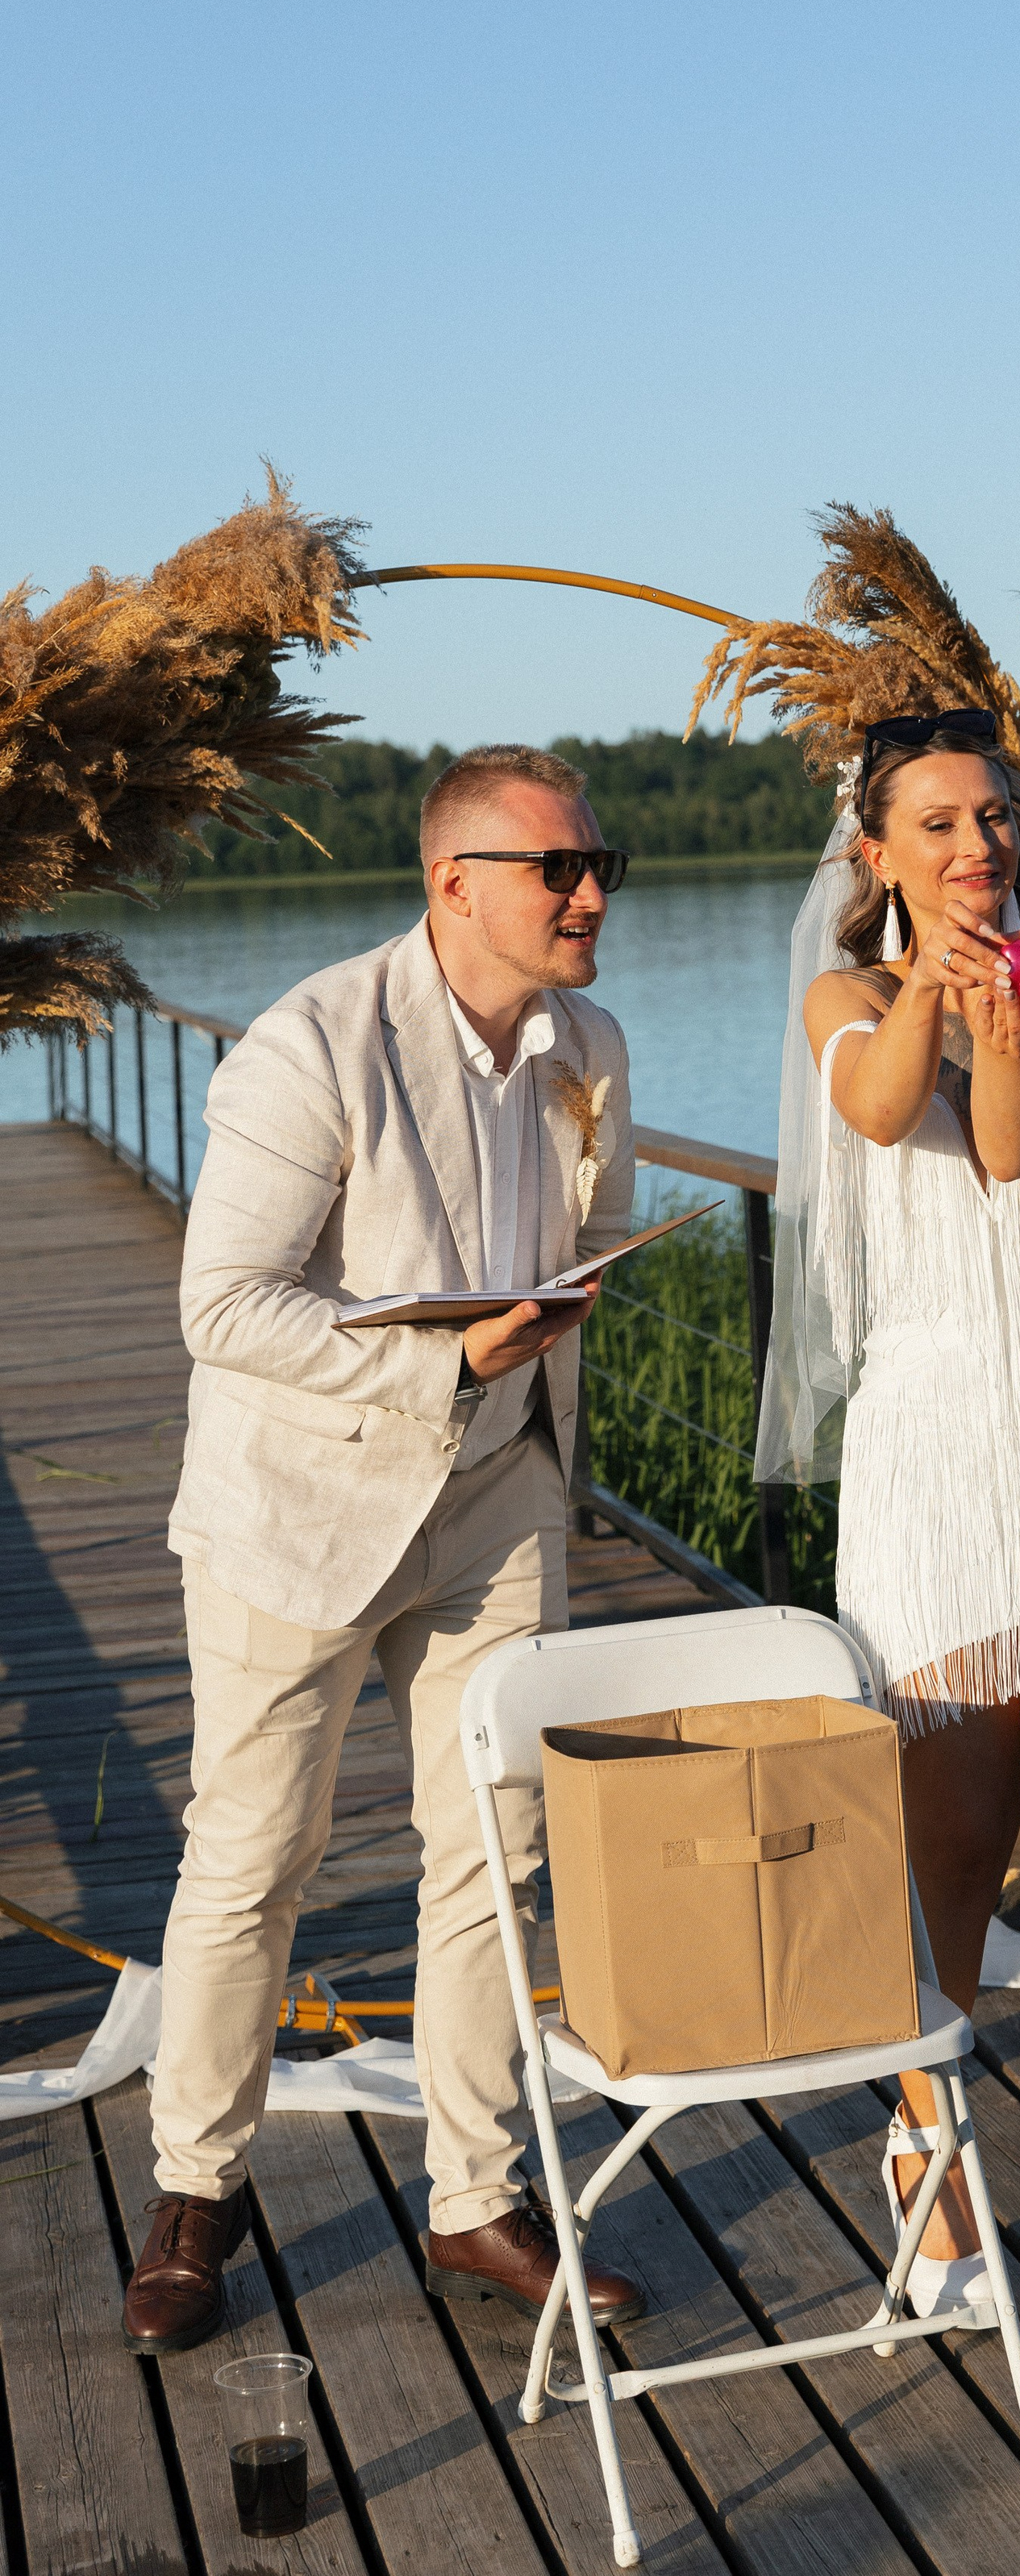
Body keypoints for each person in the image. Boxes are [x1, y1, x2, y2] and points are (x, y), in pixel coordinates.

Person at [123, 743, 648, 2355]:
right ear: (452, 885)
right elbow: (223, 1305)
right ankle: (196, 2192)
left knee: (498, 1847)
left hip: (495, 1494)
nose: (587, 895)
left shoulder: (592, 1044)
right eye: (556, 868)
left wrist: (541, 1356)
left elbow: (590, 1240)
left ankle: (478, 2198)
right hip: (302, 1508)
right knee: (251, 1859)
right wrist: (440, 1361)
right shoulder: (310, 1047)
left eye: (597, 865)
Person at [768, 708, 1020, 2337]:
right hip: (933, 1428)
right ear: (873, 851)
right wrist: (932, 992)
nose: (974, 847)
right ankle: (926, 2131)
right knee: (945, 1824)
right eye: (936, 823)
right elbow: (880, 1113)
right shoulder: (840, 996)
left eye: (995, 818)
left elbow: (1009, 1147)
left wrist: (996, 998)